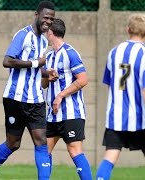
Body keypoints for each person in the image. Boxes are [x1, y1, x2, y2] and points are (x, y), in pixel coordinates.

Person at [0, 1, 55, 180]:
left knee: (42, 143)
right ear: (36, 15)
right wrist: (36, 63)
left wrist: (46, 72)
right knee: (13, 143)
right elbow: (7, 61)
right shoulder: (23, 35)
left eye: (51, 19)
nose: (48, 22)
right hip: (16, 98)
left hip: (36, 99)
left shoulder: (44, 40)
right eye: (46, 17)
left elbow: (34, 68)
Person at [96, 14, 145, 180]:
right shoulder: (144, 55)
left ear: (128, 30)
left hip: (115, 117)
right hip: (140, 119)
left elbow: (110, 84)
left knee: (109, 156)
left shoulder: (113, 53)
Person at [42, 18, 92, 180]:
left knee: (74, 149)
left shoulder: (70, 53)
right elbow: (43, 85)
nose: (45, 35)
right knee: (44, 150)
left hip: (71, 113)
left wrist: (61, 95)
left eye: (46, 32)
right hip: (52, 115)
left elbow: (83, 79)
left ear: (51, 33)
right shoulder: (48, 56)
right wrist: (47, 77)